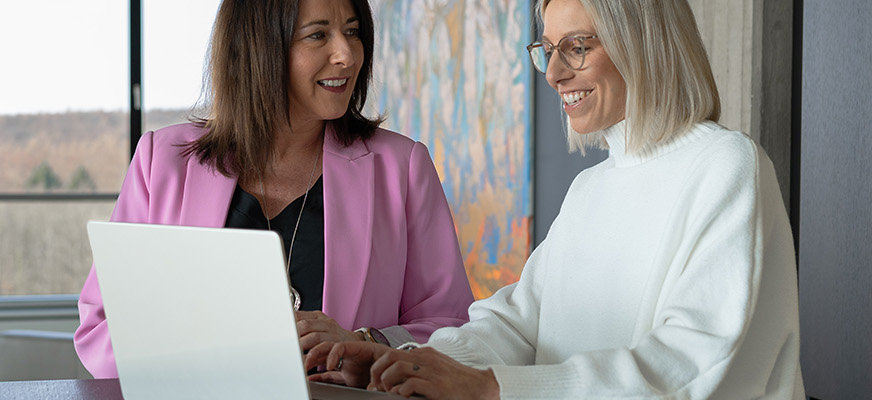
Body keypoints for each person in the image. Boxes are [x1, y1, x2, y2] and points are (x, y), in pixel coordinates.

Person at [302, 0, 805, 398]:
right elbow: (517, 326)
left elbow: (692, 364)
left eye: (577, 47)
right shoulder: (591, 188)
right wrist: (404, 358)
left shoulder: (726, 165)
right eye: (547, 49)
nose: (554, 73)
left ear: (643, 43)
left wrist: (494, 390)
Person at [74, 0, 475, 379]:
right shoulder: (161, 161)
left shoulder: (401, 167)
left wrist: (366, 344)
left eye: (352, 32)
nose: (347, 56)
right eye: (318, 35)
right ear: (259, 47)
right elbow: (102, 331)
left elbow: (453, 328)